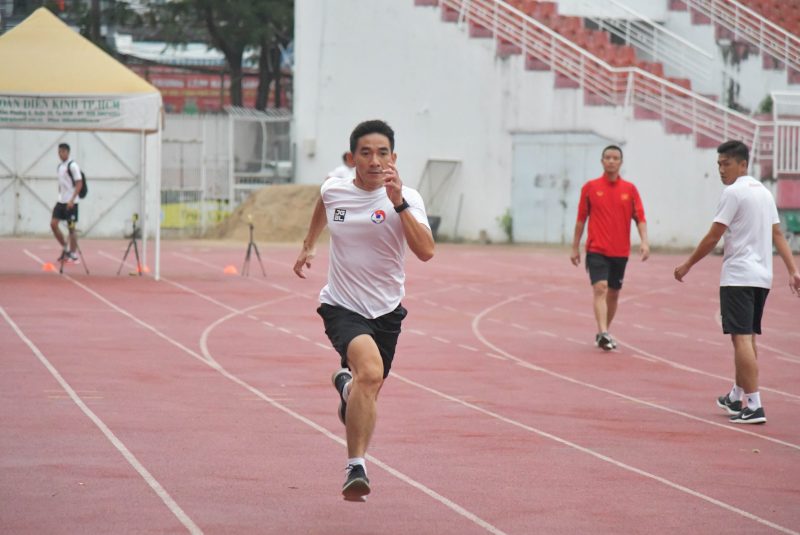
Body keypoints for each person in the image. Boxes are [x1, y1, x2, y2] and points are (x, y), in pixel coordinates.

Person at [293, 120, 434, 500]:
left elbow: (426, 251)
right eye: (366, 153)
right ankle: (356, 466)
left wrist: (398, 202)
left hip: (386, 310)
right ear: (352, 157)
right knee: (370, 373)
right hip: (341, 305)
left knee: (368, 386)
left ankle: (346, 388)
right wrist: (309, 244)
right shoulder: (334, 190)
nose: (375, 161)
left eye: (382, 153)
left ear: (393, 158)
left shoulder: (409, 199)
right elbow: (323, 205)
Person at [674, 140, 800, 425]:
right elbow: (777, 234)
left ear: (743, 164)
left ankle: (754, 405)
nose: (721, 169)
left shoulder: (733, 192)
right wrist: (793, 270)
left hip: (739, 275)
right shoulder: (764, 192)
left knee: (741, 338)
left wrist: (688, 264)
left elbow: (713, 236)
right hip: (762, 277)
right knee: (747, 337)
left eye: (726, 164)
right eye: (719, 164)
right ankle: (736, 396)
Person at [570, 145, 649, 350]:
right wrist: (575, 247)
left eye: (615, 158)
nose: (611, 161)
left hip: (620, 251)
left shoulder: (630, 190)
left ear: (621, 162)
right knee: (600, 288)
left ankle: (602, 333)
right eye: (607, 157)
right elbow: (581, 219)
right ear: (602, 161)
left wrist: (644, 242)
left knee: (613, 293)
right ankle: (604, 332)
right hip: (596, 249)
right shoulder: (590, 188)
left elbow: (640, 218)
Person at [51, 143, 83, 263]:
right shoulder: (60, 167)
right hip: (61, 201)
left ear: (68, 152)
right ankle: (65, 247)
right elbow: (61, 184)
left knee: (71, 228)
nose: (61, 154)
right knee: (53, 224)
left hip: (71, 202)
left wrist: (72, 199)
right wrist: (60, 196)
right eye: (59, 152)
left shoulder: (73, 165)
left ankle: (73, 253)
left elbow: (79, 183)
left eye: (63, 151)